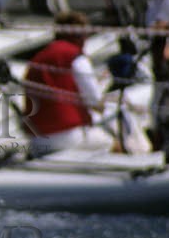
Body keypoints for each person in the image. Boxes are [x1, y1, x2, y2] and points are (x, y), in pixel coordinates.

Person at [23, 12, 116, 156]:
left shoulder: (37, 58)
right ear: (80, 35)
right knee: (112, 142)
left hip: (37, 139)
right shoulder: (74, 56)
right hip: (67, 136)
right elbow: (95, 101)